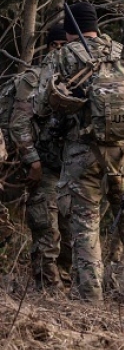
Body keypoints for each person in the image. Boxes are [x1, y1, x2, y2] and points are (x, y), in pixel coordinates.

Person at [35, 2, 124, 301]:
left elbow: (41, 105)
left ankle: (91, 297)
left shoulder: (63, 55)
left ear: (69, 29)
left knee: (84, 226)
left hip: (82, 152)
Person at [10, 24, 72, 291]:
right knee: (47, 228)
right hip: (43, 164)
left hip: (71, 167)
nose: (62, 52)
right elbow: (18, 123)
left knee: (72, 231)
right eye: (57, 46)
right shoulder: (35, 78)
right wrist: (32, 160)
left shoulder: (82, 77)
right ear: (50, 48)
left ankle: (66, 284)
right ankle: (48, 289)